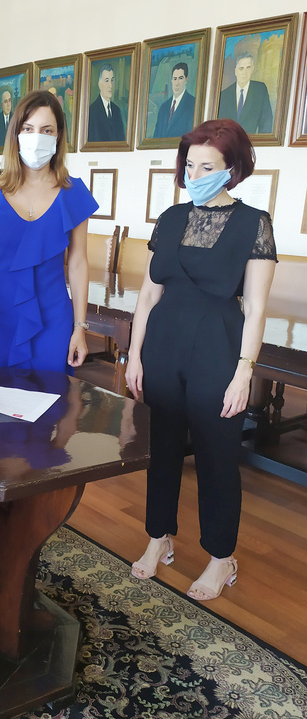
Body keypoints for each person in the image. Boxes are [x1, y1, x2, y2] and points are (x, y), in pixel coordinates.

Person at [126, 119, 276, 601]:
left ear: (232, 169)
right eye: (189, 165)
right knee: (162, 449)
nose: (194, 175)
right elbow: (148, 295)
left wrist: (244, 372)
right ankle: (158, 538)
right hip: (163, 345)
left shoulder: (254, 223)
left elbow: (256, 308)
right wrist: (134, 355)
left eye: (206, 167)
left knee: (217, 456)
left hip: (218, 348)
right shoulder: (171, 218)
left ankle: (220, 557)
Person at [0, 90, 98, 373]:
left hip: (53, 321)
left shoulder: (74, 193)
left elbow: (78, 264)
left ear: (58, 136)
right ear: (16, 133)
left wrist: (80, 328)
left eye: (47, 130)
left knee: (52, 396)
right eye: (28, 128)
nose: (37, 137)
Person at [218, 53, 273, 135]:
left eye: (248, 68)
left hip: (252, 141)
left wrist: (260, 141)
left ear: (252, 69)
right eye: (241, 68)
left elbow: (266, 121)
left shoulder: (260, 90)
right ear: (236, 71)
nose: (245, 72)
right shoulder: (224, 95)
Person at [152, 62, 195, 139]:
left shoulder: (193, 104)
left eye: (180, 78)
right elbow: (156, 137)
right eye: (175, 79)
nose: (177, 83)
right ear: (171, 80)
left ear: (186, 79)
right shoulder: (164, 107)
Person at [88, 63, 125, 142]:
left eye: (112, 80)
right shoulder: (92, 111)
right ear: (100, 84)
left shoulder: (117, 110)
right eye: (107, 81)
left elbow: (122, 140)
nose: (110, 85)